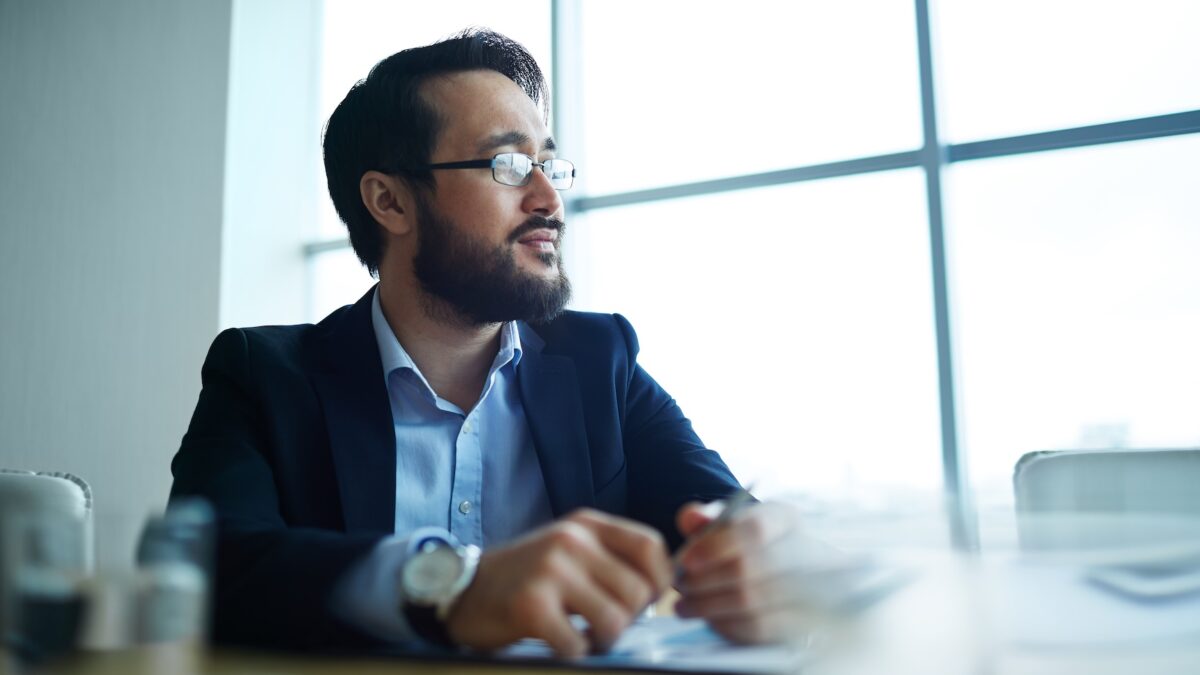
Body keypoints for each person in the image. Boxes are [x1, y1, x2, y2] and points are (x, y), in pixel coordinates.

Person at [169, 28, 806, 657]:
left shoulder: (599, 362)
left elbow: (727, 525)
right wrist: (453, 587)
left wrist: (759, 559)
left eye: (548, 165)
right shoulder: (264, 376)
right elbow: (206, 569)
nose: (550, 199)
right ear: (389, 201)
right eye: (508, 165)